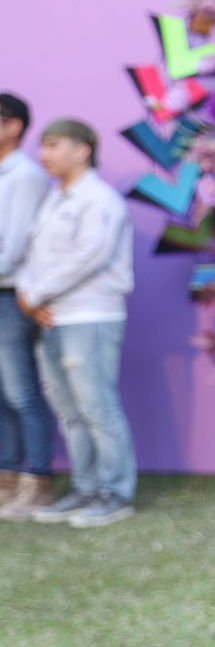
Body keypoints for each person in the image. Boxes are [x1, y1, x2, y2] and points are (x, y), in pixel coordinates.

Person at [15, 118, 136, 528]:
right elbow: (33, 256)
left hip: (90, 316)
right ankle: (86, 488)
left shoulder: (100, 199)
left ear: (82, 150)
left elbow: (90, 255)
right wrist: (28, 295)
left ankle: (116, 493)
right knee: (69, 411)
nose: (44, 154)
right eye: (42, 146)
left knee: (97, 407)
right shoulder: (54, 198)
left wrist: (35, 294)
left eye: (53, 145)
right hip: (52, 317)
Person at [0, 92, 60, 519]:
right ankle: (7, 475)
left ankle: (38, 478)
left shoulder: (24, 175)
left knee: (21, 391)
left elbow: (15, 247)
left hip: (11, 295)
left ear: (14, 125)